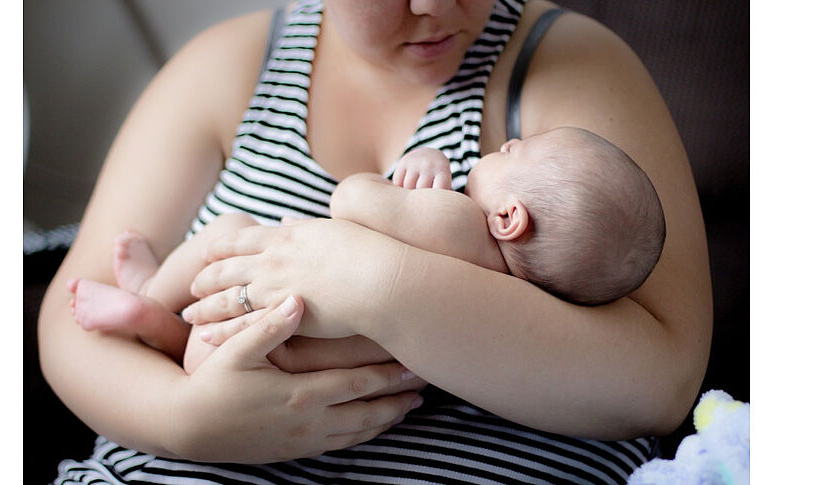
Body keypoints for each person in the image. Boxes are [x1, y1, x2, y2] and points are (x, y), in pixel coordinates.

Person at [39, 0, 712, 483]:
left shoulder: (570, 68)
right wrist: (186, 420)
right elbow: (71, 325)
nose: (436, 7)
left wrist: (374, 283)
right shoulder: (223, 68)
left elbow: (661, 379)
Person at [66, 126, 665, 375]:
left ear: (509, 219)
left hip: (258, 301)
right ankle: (153, 324)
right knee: (204, 348)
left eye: (516, 154)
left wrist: (412, 170)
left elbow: (351, 202)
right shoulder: (511, 310)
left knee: (228, 230)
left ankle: (150, 296)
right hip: (288, 358)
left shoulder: (459, 221)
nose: (505, 143)